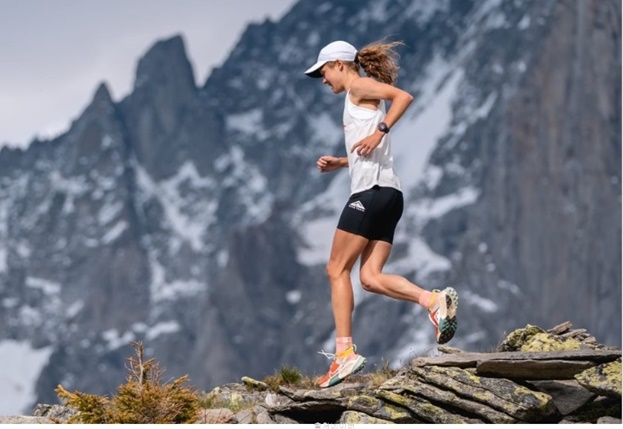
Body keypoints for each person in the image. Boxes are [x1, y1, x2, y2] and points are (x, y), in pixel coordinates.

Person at [304, 40, 459, 388]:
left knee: (335, 269)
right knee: (370, 277)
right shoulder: (355, 97)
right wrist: (342, 162)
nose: (323, 80)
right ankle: (433, 301)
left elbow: (403, 97)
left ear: (340, 64)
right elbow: (370, 148)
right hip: (390, 194)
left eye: (324, 71)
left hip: (369, 194)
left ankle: (344, 355)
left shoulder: (358, 86)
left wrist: (380, 131)